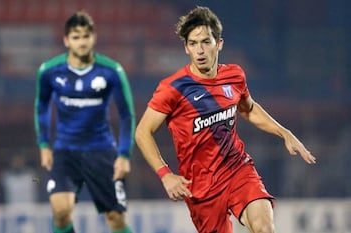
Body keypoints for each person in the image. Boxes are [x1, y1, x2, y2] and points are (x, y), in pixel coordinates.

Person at [135, 6, 316, 233]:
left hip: (237, 169)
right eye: (193, 44)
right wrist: (165, 174)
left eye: (205, 42)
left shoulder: (234, 75)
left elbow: (249, 110)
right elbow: (142, 132)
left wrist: (284, 132)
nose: (199, 50)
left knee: (264, 227)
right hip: (201, 187)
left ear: (219, 44)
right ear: (186, 48)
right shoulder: (173, 88)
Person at [34, 11, 135, 233]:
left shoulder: (111, 71)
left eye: (85, 36)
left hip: (101, 151)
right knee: (61, 212)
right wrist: (44, 145)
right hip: (65, 151)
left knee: (116, 218)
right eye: (76, 37)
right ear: (66, 40)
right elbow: (41, 108)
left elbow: (127, 115)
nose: (81, 42)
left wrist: (124, 155)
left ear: (94, 37)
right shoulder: (50, 71)